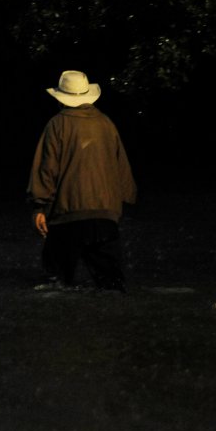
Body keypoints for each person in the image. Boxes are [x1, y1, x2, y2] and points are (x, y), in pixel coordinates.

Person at [27, 70, 137, 293]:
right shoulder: (106, 123)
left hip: (69, 214)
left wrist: (40, 206)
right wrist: (124, 197)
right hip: (105, 214)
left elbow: (47, 169)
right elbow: (121, 166)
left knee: (56, 280)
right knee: (112, 284)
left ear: (61, 99)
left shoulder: (57, 125)